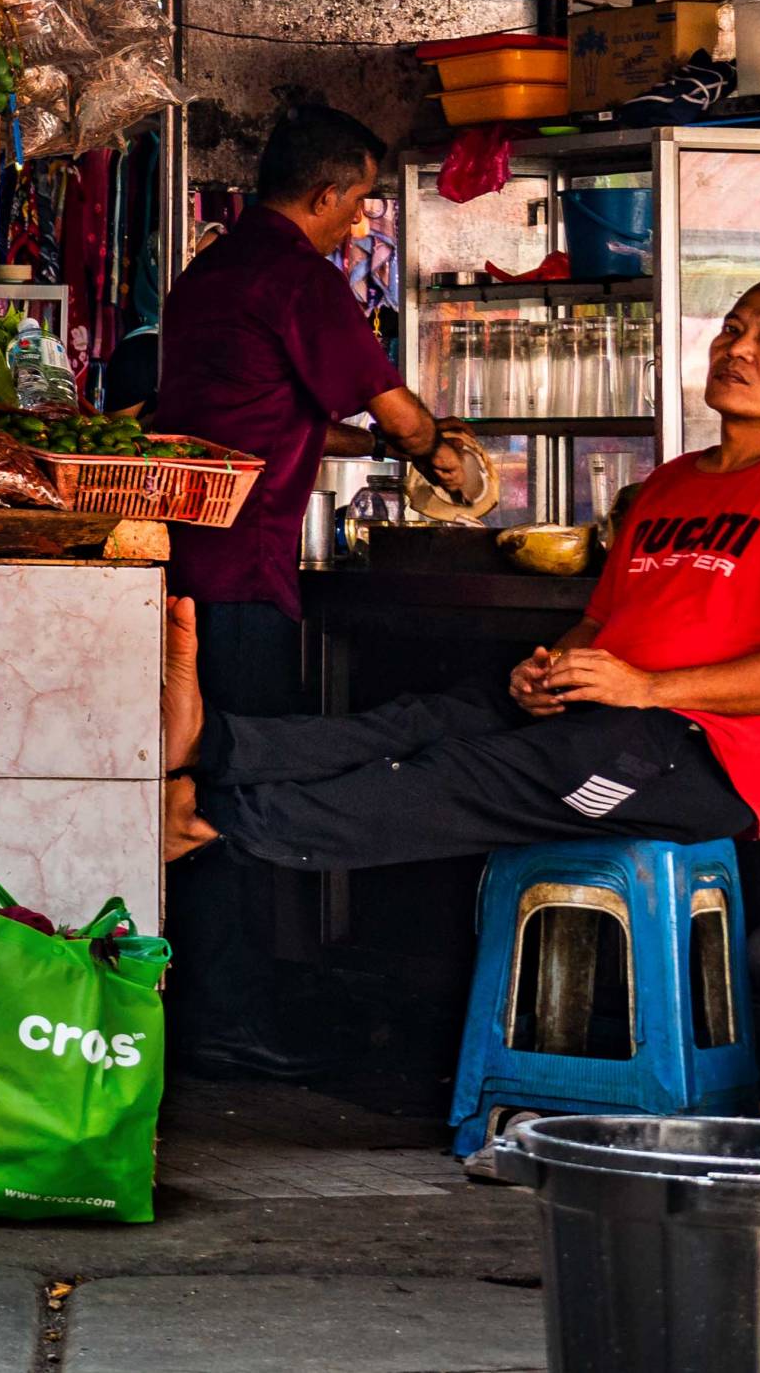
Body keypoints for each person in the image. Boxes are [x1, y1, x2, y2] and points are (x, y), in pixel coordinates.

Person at [164, 277, 760, 883]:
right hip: (598, 712)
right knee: (425, 720)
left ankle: (205, 817)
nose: (737, 349)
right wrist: (547, 669)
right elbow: (602, 622)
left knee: (464, 774)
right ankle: (216, 745)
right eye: (732, 329)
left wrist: (647, 689)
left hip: (690, 758)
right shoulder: (673, 484)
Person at [153, 102, 475, 1074]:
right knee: (240, 788)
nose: (361, 219)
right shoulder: (299, 277)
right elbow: (390, 404)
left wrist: (381, 444)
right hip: (241, 573)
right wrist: (440, 454)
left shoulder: (209, 271)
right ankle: (232, 1018)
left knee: (188, 788)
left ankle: (200, 1002)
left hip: (173, 566)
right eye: (361, 199)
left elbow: (270, 416)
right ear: (326, 192)